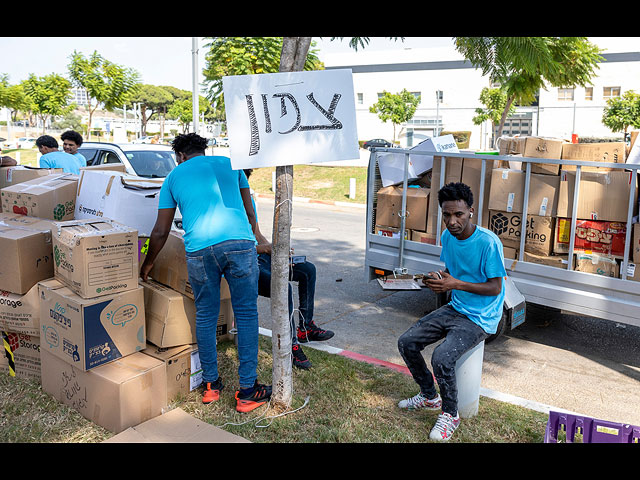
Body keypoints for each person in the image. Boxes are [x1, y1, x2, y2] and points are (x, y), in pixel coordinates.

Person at [140, 133, 272, 412]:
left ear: (180, 156)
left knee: (206, 314)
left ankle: (211, 386)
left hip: (199, 250)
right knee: (246, 313)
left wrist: (148, 264)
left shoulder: (173, 177)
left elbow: (161, 230)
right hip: (239, 244)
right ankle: (248, 390)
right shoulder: (231, 164)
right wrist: (260, 242)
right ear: (204, 149)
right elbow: (250, 214)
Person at [397, 182, 506, 441]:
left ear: (471, 212)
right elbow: (452, 273)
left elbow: (495, 288)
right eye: (446, 215)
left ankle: (450, 414)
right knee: (407, 342)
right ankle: (428, 396)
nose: (452, 221)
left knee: (442, 358)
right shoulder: (448, 237)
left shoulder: (488, 242)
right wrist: (437, 278)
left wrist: (453, 283)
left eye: (458, 214)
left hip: (481, 317)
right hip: (457, 306)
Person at [243, 169, 335, 370]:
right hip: (246, 263)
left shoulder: (248, 199)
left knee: (307, 269)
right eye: (242, 180)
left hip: (260, 256)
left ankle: (306, 327)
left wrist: (274, 250)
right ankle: (291, 344)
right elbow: (233, 249)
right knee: (283, 287)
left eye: (246, 179)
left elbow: (256, 233)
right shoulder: (225, 205)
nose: (245, 185)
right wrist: (261, 249)